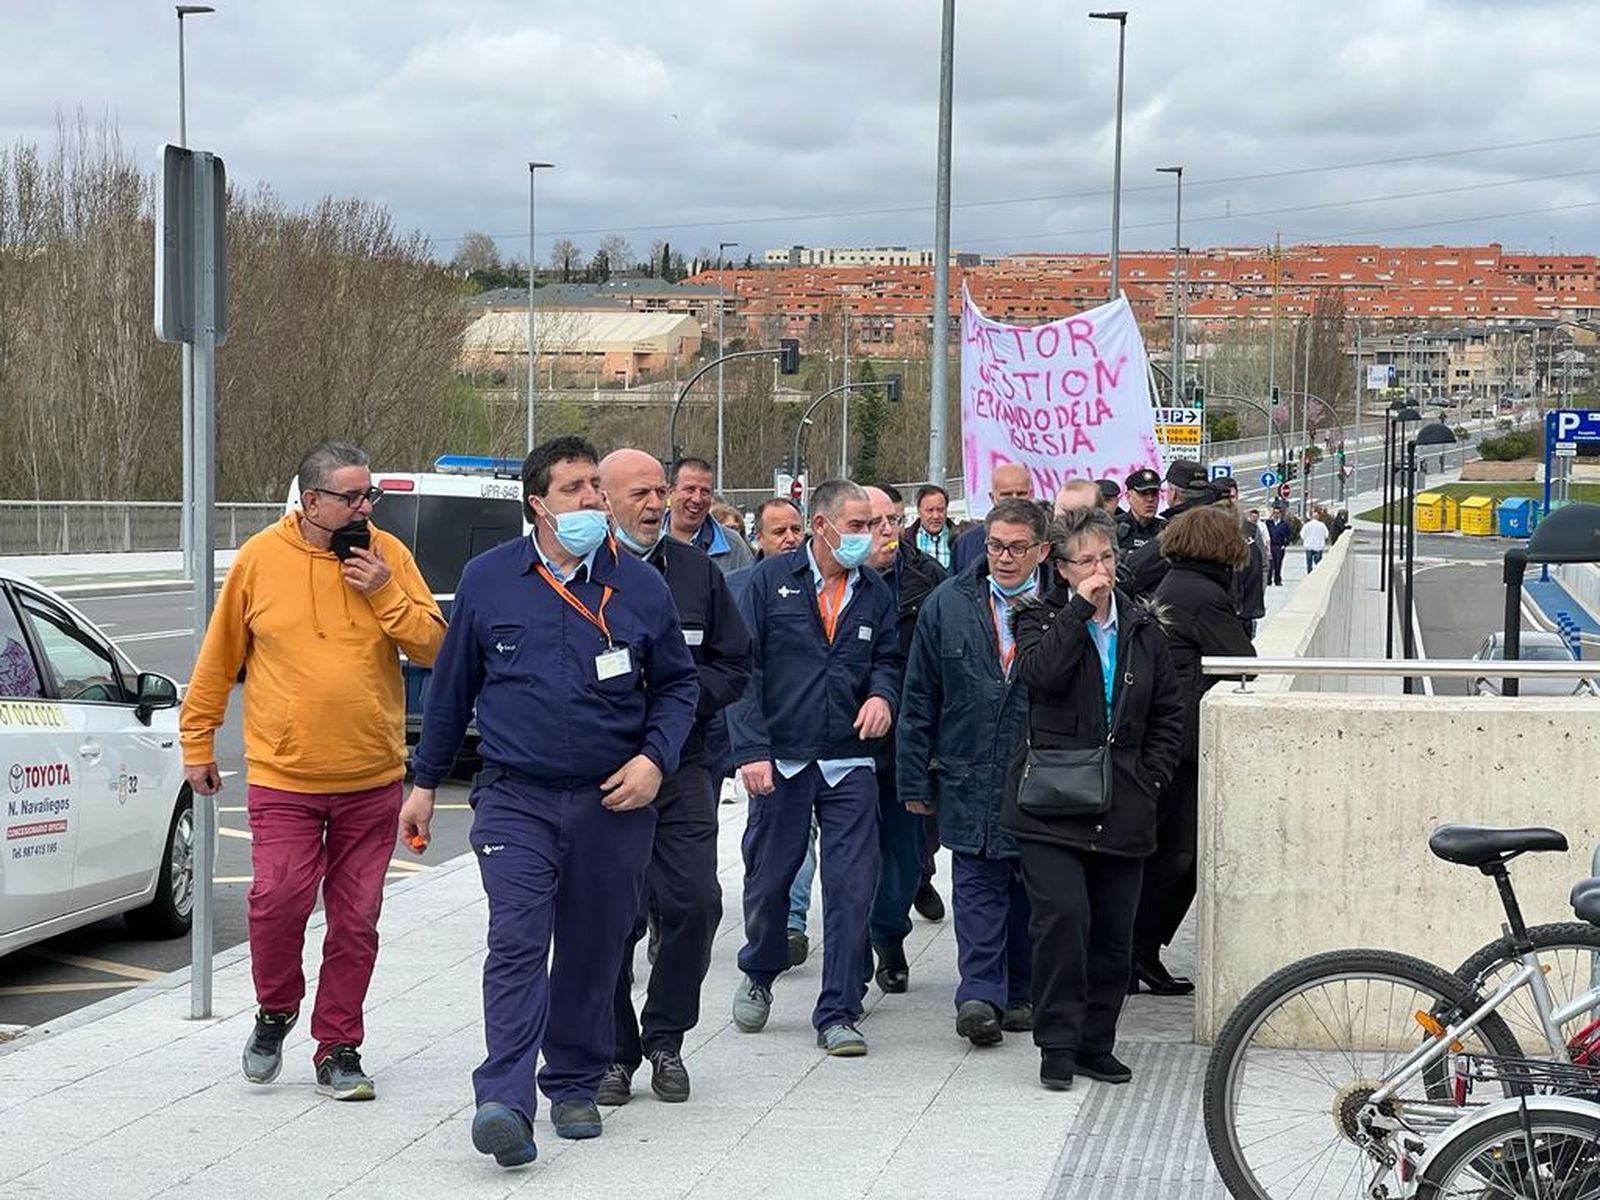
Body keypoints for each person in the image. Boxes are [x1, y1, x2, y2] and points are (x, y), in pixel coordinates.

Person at [401, 436, 699, 1168]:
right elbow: (451, 690)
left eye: (596, 486)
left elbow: (680, 686)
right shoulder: (488, 579)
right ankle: (503, 1098)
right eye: (574, 489)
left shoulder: (640, 586)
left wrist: (654, 761)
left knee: (596, 949)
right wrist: (423, 783)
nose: (592, 501)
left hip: (613, 801)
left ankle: (571, 1080)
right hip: (515, 799)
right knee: (517, 941)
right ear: (538, 504)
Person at [180, 440, 446, 1102]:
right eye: (352, 497)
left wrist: (384, 592)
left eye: (369, 495)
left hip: (371, 776)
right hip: (284, 777)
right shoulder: (260, 560)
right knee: (276, 901)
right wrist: (197, 742)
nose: (365, 508)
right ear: (312, 501)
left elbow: (437, 645)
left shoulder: (389, 555)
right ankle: (275, 1011)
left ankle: (339, 1047)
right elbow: (218, 659)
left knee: (356, 922)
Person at [596, 450, 753, 1108]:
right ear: (603, 500)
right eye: (640, 493)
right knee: (609, 917)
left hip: (683, 763)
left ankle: (666, 1038)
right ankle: (614, 1051)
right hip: (603, 772)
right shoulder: (579, 576)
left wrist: (681, 698)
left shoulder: (695, 573)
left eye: (660, 490)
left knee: (694, 903)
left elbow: (733, 663)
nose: (656, 503)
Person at [1007, 507, 1183, 1091]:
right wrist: (1080, 610)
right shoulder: (1037, 618)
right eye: (1086, 560)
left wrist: (1152, 777)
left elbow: (1168, 714)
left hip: (1124, 801)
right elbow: (1039, 677)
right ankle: (1057, 1042)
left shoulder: (1143, 627)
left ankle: (1094, 1042)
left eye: (1107, 557)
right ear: (1060, 568)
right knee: (1063, 921)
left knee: (1113, 933)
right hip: (1053, 800)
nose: (1101, 569)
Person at [727, 479, 903, 1058]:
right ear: (822, 526)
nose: (870, 536)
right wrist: (751, 750)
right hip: (782, 760)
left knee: (852, 887)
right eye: (857, 526)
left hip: (849, 761)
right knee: (771, 880)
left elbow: (888, 659)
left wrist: (882, 696)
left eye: (873, 525)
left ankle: (840, 1011)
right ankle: (761, 966)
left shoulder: (875, 591)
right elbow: (742, 673)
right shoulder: (766, 584)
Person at [898, 498, 1046, 1047]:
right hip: (967, 769)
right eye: (995, 546)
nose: (1004, 558)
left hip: (1039, 774)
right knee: (977, 883)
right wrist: (914, 779)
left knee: (1030, 885)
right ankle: (980, 995)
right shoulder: (949, 603)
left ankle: (1023, 989)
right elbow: (920, 695)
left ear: (1042, 550)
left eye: (1016, 548)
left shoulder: (1061, 603)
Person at [1132, 506, 1257, 996]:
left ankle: (1135, 952)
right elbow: (1244, 661)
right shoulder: (1204, 594)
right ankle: (1140, 949)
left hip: (1169, 737)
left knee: (1167, 851)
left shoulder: (1179, 583)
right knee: (1179, 856)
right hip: (1184, 743)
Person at [666, 456, 754, 573]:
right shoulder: (646, 540)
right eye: (690, 489)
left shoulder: (733, 546)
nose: (697, 499)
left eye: (705, 491)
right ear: (670, 491)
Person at [953, 463, 1034, 572]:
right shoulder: (967, 544)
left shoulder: (1046, 539)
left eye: (1021, 494)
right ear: (992, 497)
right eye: (1007, 495)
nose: (1014, 500)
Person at [1213, 477, 1266, 635]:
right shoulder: (1206, 530)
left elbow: (1262, 567)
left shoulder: (1249, 530)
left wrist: (1252, 605)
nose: (1228, 503)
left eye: (1232, 497)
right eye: (1223, 498)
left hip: (1243, 614)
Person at [1114, 469, 1166, 554]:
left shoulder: (1166, 530)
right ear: (1128, 497)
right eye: (1143, 493)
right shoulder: (1113, 527)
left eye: (1154, 493)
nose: (1150, 499)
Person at [906, 484, 954, 569]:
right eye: (930, 510)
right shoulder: (906, 541)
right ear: (918, 511)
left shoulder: (960, 539)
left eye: (940, 510)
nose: (936, 516)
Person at [1265, 506, 1291, 587]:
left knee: (1278, 564)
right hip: (1270, 546)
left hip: (1279, 547)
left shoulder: (1284, 524)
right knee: (1270, 565)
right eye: (1274, 513)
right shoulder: (1268, 523)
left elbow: (1288, 535)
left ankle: (1277, 580)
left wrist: (1285, 544)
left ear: (1280, 514)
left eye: (1278, 513)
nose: (1276, 515)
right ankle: (1268, 580)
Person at [1301, 508, 1330, 572]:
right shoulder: (1322, 525)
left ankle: (1309, 575)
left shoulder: (1306, 525)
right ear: (1318, 517)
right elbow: (1326, 535)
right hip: (1318, 546)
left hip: (1309, 546)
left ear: (1311, 517)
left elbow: (1302, 535)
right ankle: (1318, 575)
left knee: (1309, 564)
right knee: (1318, 564)